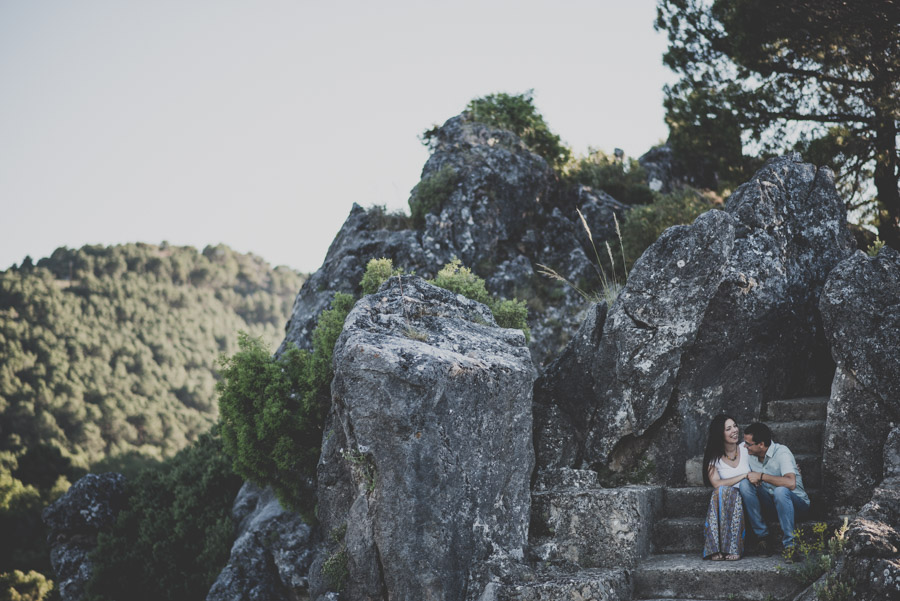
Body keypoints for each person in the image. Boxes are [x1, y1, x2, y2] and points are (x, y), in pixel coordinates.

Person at [738, 422, 810, 556]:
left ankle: (791, 546)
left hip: (797, 505)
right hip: (771, 504)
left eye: (748, 444)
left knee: (781, 490)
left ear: (761, 444)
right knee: (744, 484)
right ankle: (763, 538)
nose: (744, 446)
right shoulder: (751, 456)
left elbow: (791, 483)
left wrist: (762, 476)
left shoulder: (782, 452)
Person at [701, 414, 750, 560]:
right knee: (721, 492)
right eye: (728, 428)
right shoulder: (714, 458)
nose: (734, 430)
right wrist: (743, 476)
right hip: (726, 503)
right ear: (719, 434)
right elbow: (716, 483)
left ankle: (733, 547)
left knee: (724, 492)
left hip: (750, 497)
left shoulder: (746, 448)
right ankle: (714, 547)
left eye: (735, 426)